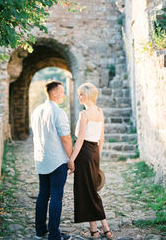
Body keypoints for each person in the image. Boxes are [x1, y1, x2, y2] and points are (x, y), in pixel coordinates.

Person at [68, 82, 113, 239]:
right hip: (94, 153)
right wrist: (97, 158)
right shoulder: (100, 112)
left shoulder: (84, 115)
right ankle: (99, 230)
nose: (79, 97)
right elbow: (102, 139)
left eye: (80, 94)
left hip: (84, 153)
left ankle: (100, 230)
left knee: (87, 192)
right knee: (90, 191)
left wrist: (71, 160)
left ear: (86, 96)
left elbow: (80, 140)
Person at [31, 81, 73, 240]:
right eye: (61, 92)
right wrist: (71, 158)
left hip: (42, 159)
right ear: (54, 93)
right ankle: (54, 234)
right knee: (56, 196)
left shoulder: (37, 111)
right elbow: (66, 139)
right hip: (57, 160)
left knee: (43, 195)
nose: (63, 95)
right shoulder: (58, 112)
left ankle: (40, 231)